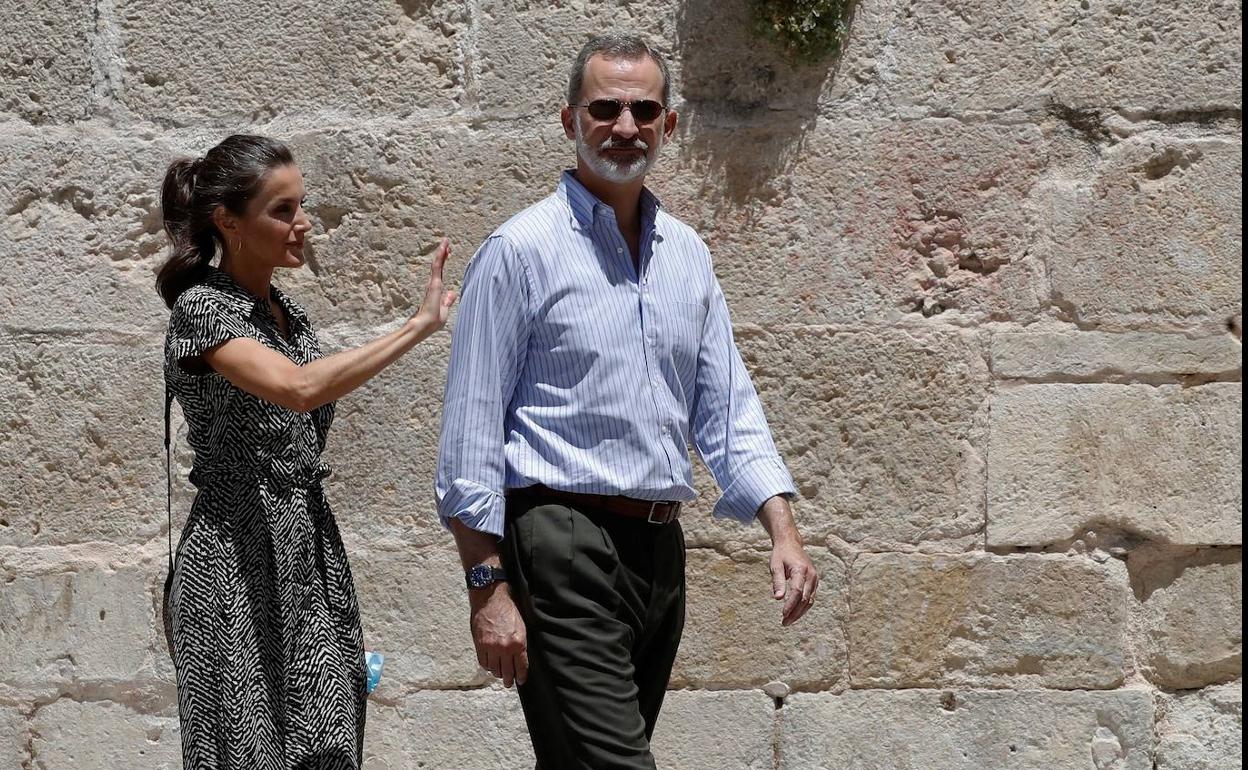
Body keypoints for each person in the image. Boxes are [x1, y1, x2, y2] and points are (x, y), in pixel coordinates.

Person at [436, 34, 818, 769]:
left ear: (668, 125)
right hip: (559, 539)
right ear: (569, 120)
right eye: (604, 108)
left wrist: (782, 529)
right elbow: (471, 430)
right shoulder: (520, 251)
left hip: (657, 551)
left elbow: (726, 404)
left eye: (644, 110)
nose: (624, 127)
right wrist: (486, 584)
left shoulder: (688, 255)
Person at [157, 134, 456, 769]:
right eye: (282, 210)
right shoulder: (202, 310)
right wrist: (416, 327)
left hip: (308, 555)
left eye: (301, 206)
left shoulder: (288, 315)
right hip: (234, 561)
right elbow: (297, 390)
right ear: (228, 222)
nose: (302, 224)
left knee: (328, 746)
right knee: (247, 753)